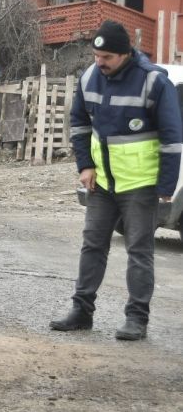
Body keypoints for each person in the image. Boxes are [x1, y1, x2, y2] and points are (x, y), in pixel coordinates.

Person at [50, 20, 182, 340]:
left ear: (124, 54)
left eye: (106, 57)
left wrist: (166, 185)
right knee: (92, 245)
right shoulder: (89, 78)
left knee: (139, 250)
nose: (100, 62)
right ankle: (82, 311)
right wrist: (85, 165)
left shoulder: (153, 83)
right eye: (96, 56)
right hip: (102, 184)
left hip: (141, 184)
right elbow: (79, 123)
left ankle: (137, 318)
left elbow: (172, 137)